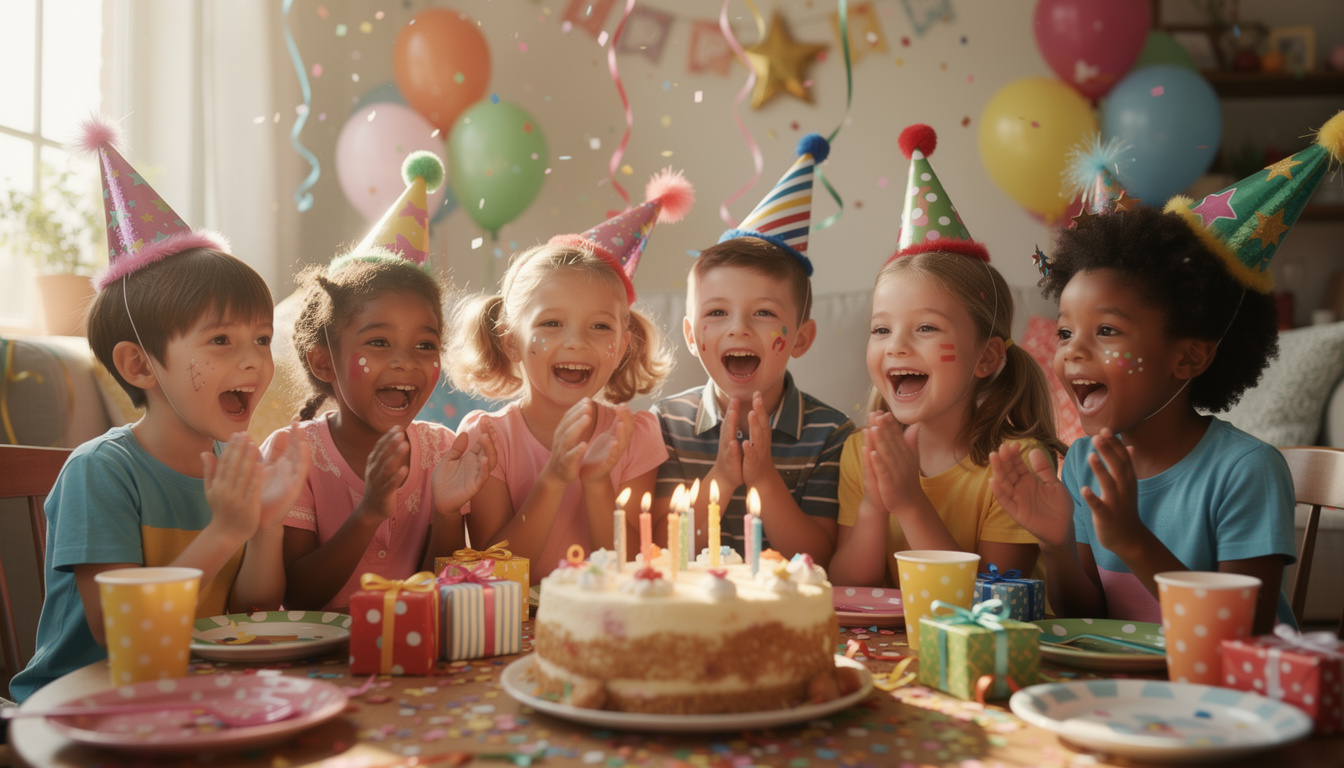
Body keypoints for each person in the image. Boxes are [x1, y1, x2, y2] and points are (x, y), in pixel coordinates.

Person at [989, 109, 1344, 633]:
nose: (1071, 353)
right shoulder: (1086, 461)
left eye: (1106, 331)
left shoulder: (1246, 470)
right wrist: (1056, 544)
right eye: (1065, 333)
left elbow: (1242, 632)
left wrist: (1132, 541)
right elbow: (1088, 617)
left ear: (1190, 356)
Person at [11, 117, 307, 702]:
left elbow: (251, 607)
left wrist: (266, 523)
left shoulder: (231, 463)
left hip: (187, 697)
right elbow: (121, 633)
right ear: (141, 366)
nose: (254, 363)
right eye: (221, 341)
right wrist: (226, 530)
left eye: (262, 339)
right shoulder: (101, 471)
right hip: (80, 704)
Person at [829, 125, 1064, 587]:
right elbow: (848, 588)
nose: (896, 345)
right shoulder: (862, 452)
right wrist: (877, 506)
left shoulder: (1015, 463)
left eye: (926, 328)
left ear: (987, 358)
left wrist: (911, 503)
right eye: (881, 329)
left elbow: (993, 603)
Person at [269, 152, 496, 612]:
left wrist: (448, 512)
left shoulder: (440, 451)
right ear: (323, 362)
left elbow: (440, 592)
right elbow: (295, 595)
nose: (405, 363)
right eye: (378, 343)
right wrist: (370, 510)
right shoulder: (292, 454)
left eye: (425, 346)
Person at [448, 170, 691, 578]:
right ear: (510, 341)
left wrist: (597, 484)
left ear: (623, 346)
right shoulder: (487, 439)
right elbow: (495, 571)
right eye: (551, 324)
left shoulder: (635, 436)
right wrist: (555, 476)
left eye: (599, 327)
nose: (576, 343)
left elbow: (634, 570)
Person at [651, 135, 854, 567]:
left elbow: (819, 558)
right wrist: (723, 477)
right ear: (691, 335)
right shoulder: (664, 426)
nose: (738, 328)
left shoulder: (830, 435)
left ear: (800, 337)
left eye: (763, 313)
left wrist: (763, 478)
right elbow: (662, 550)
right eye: (718, 312)